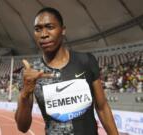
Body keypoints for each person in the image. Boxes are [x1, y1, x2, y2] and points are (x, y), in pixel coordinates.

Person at [15, 7, 118, 135]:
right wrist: (25, 93)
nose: (43, 34)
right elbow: (23, 127)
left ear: (63, 30)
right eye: (38, 29)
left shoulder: (85, 61)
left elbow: (102, 107)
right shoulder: (31, 72)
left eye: (50, 27)